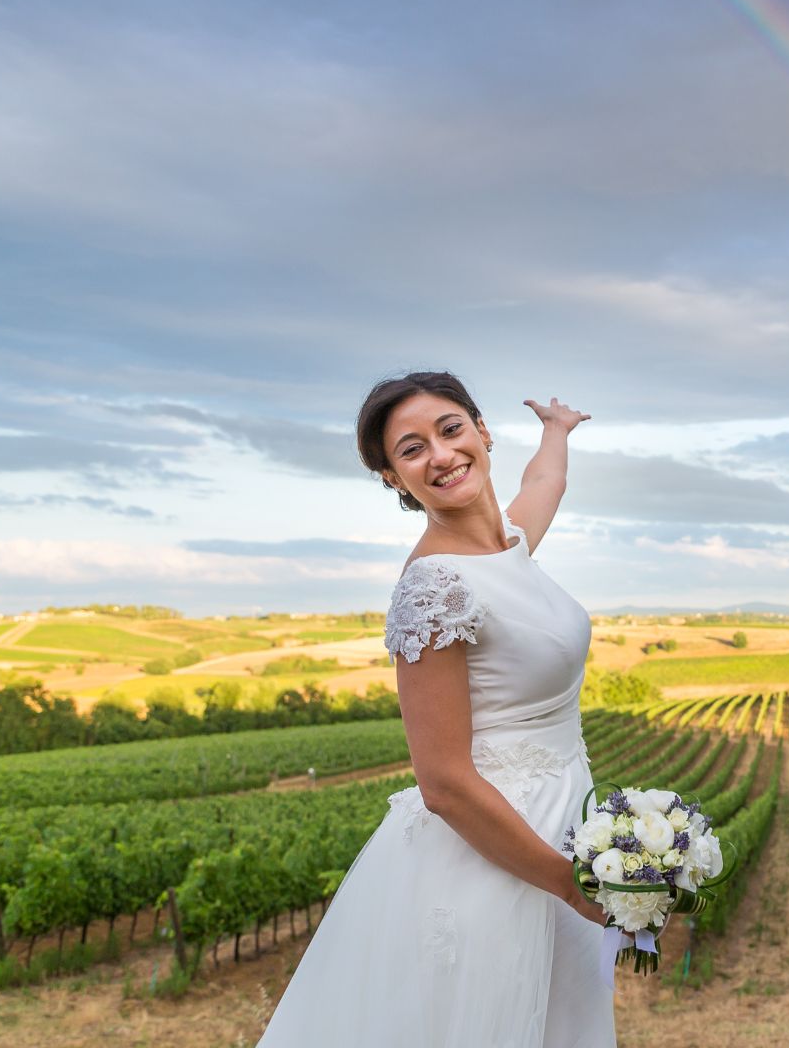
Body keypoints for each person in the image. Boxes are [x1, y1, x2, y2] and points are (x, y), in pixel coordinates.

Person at [260, 371, 615, 1047]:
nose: (441, 455)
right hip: (499, 850)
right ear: (395, 479)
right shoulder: (435, 586)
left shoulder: (507, 544)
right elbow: (444, 782)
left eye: (450, 430)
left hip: (562, 825)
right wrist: (570, 887)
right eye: (412, 449)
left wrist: (556, 431)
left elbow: (545, 486)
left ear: (482, 433)